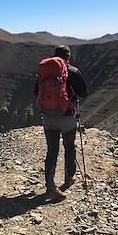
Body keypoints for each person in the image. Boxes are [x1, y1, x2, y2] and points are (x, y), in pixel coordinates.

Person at [34, 45, 88, 199]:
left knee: (52, 150)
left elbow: (36, 92)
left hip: (48, 117)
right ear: (68, 57)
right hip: (67, 116)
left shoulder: (44, 73)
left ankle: (50, 186)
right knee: (69, 147)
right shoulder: (73, 72)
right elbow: (84, 93)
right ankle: (69, 176)